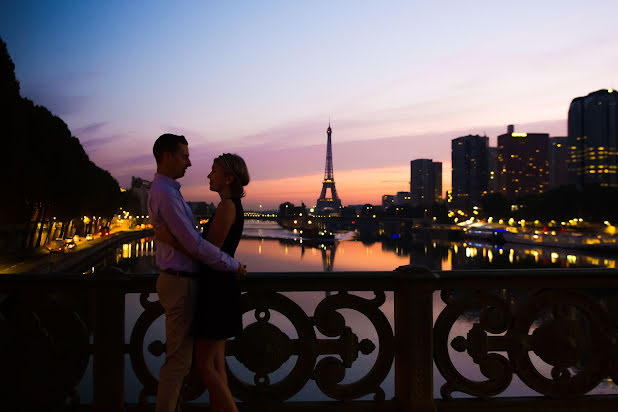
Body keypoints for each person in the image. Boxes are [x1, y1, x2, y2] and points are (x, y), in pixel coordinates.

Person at [148, 134, 247, 412]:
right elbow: (201, 247)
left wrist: (170, 240)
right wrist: (233, 265)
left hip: (215, 288)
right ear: (168, 156)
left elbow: (202, 248)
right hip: (211, 286)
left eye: (213, 171)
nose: (194, 166)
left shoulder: (225, 206)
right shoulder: (169, 193)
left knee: (202, 364)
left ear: (228, 178)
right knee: (207, 364)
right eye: (184, 156)